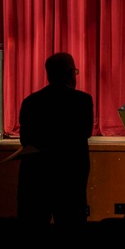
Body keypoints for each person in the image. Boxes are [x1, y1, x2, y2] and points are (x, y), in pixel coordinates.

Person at [16, 52, 94, 227]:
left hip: (37, 177)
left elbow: (25, 140)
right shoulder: (82, 100)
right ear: (69, 73)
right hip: (70, 176)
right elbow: (86, 132)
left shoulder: (31, 102)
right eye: (75, 72)